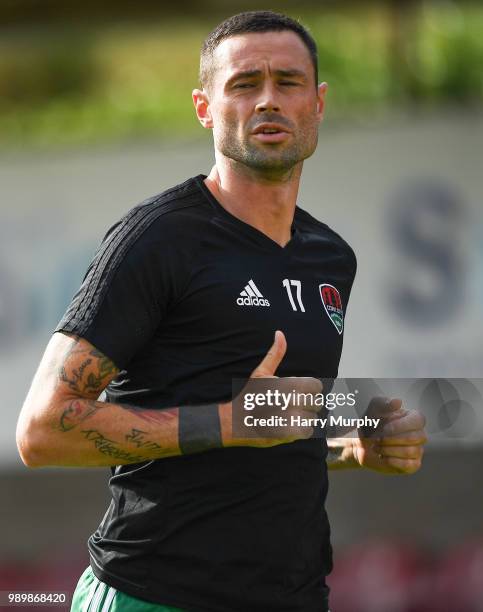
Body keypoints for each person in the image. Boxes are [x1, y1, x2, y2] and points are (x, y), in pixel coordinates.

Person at [16, 11, 427, 612]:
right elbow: (42, 430)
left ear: (318, 103)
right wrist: (228, 422)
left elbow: (270, 425)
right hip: (152, 595)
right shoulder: (158, 239)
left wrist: (353, 444)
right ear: (205, 107)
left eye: (287, 82)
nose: (267, 100)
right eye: (243, 83)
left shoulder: (331, 257)